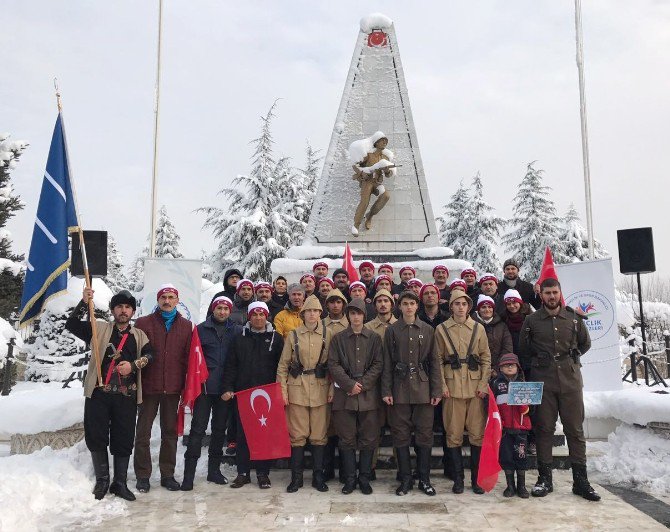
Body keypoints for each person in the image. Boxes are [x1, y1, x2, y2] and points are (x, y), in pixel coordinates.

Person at [65, 288, 152, 501]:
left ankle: (119, 483)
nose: (123, 311)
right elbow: (72, 325)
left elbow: (151, 355)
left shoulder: (139, 335)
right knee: (97, 436)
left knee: (123, 439)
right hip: (99, 394)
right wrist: (84, 302)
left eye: (128, 307)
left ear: (132, 311)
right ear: (113, 310)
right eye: (120, 306)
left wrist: (132, 366)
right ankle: (102, 480)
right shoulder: (99, 329)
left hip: (126, 397)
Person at [519, 278, 600, 501]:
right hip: (543, 380)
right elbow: (524, 349)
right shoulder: (532, 320)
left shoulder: (574, 318)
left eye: (555, 292)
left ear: (560, 293)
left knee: (574, 430)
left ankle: (580, 481)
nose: (551, 296)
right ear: (541, 295)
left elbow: (585, 344)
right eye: (547, 293)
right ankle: (545, 479)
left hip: (570, 380)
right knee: (544, 428)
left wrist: (568, 361)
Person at [382, 291, 442, 496]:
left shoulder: (428, 329)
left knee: (424, 435)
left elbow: (434, 362)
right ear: (399, 306)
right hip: (399, 388)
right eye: (405, 303)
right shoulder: (391, 331)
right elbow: (387, 362)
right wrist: (387, 390)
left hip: (424, 389)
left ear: (417, 306)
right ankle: (405, 478)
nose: (408, 307)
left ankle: (424, 479)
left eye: (412, 303)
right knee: (400, 435)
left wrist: (437, 390)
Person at [134, 284, 192, 493]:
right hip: (149, 387)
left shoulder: (186, 326)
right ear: (157, 301)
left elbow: (188, 358)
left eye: (171, 297)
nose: (167, 301)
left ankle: (167, 474)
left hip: (173, 387)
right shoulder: (143, 323)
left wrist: (186, 385)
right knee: (143, 433)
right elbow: (135, 352)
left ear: (177, 300)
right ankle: (143, 475)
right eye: (163, 298)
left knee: (170, 433)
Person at [181, 295, 241, 491]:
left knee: (218, 430)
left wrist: (232, 387)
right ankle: (188, 475)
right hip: (204, 388)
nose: (222, 312)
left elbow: (238, 360)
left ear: (230, 311)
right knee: (197, 430)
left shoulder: (237, 331)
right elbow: (192, 358)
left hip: (225, 389)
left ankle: (213, 471)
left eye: (226, 309)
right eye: (219, 308)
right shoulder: (200, 330)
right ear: (213, 310)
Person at [222, 302, 284, 489]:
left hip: (267, 394)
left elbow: (282, 366)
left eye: (261, 314)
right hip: (244, 393)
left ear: (267, 316)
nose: (258, 317)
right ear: (249, 316)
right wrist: (228, 387)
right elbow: (231, 365)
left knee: (263, 435)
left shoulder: (277, 338)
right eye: (254, 314)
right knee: (243, 435)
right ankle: (243, 473)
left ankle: (263, 474)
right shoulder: (238, 338)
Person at [435, 289, 491, 495]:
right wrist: (442, 386)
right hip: (452, 388)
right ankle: (458, 479)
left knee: (477, 436)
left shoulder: (478, 328)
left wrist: (483, 384)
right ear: (451, 307)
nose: (460, 307)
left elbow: (486, 357)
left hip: (475, 389)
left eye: (464, 304)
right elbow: (438, 360)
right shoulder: (441, 329)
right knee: (453, 435)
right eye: (456, 304)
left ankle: (475, 479)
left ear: (469, 307)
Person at [276, 295, 334, 493]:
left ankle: (318, 477)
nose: (312, 314)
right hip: (297, 389)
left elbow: (333, 366)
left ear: (320, 313)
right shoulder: (293, 335)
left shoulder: (328, 334)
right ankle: (296, 478)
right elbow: (283, 366)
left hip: (320, 388)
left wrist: (333, 389)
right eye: (308, 311)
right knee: (297, 436)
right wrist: (282, 392)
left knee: (319, 436)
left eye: (315, 311)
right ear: (302, 313)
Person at [328, 299, 384, 495]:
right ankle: (350, 479)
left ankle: (364, 478)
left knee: (369, 438)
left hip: (369, 396)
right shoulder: (338, 338)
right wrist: (350, 384)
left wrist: (363, 385)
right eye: (352, 313)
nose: (356, 317)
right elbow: (333, 364)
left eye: (359, 313)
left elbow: (378, 364)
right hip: (345, 395)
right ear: (348, 315)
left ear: (363, 315)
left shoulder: (375, 338)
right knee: (346, 438)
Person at [364, 289, 397, 479]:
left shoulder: (400, 326)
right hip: (374, 385)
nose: (383, 304)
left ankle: (402, 467)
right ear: (374, 305)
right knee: (372, 428)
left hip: (396, 384)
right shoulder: (367, 327)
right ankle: (370, 468)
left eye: (386, 300)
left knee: (398, 427)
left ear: (392, 304)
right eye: (379, 301)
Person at [491, 353, 531, 498]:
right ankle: (510, 486)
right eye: (505, 365)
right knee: (506, 457)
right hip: (505, 429)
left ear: (517, 367)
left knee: (521, 456)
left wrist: (522, 404)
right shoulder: (495, 383)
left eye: (512, 365)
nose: (509, 367)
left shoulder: (524, 383)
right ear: (500, 368)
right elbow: (492, 406)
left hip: (521, 428)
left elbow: (528, 409)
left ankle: (522, 486)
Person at [321, 288, 350, 482]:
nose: (335, 305)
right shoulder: (320, 324)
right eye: (331, 302)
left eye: (339, 302)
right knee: (328, 427)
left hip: (347, 381)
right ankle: (328, 468)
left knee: (345, 427)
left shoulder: (353, 323)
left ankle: (346, 470)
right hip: (326, 380)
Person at [351, 132, 393, 235]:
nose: (384, 142)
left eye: (385, 141)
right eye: (382, 140)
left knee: (386, 196)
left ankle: (369, 216)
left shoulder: (385, 158)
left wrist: (387, 170)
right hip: (367, 182)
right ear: (376, 143)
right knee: (364, 201)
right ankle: (356, 225)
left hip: (376, 182)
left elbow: (389, 174)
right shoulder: (369, 156)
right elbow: (355, 165)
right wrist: (361, 173)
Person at [473, 295, 513, 373]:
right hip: (476, 370)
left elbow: (507, 348)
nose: (487, 310)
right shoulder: (471, 325)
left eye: (490, 307)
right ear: (478, 310)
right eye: (483, 307)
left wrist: (497, 368)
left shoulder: (502, 325)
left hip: (498, 369)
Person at [501, 289, 533, 363]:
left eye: (514, 302)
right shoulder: (503, 319)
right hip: (513, 358)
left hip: (531, 358)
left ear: (520, 302)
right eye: (508, 304)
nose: (512, 306)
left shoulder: (530, 317)